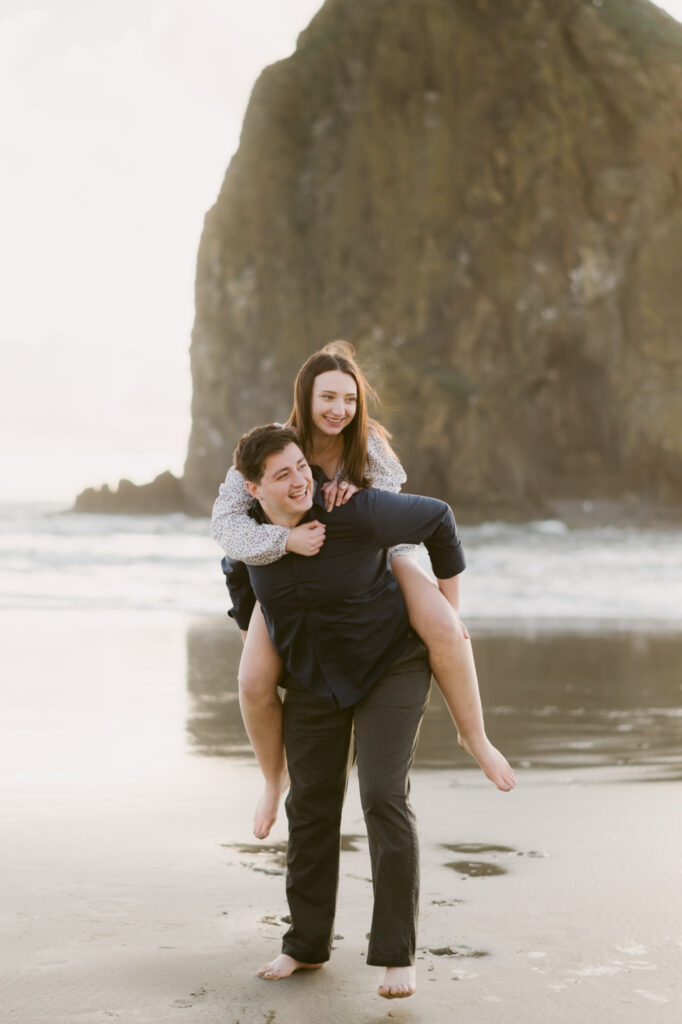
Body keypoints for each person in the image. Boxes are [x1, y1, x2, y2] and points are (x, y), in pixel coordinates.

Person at [212, 342, 515, 841]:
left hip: (378, 554)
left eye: (349, 399)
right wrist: (284, 538)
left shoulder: (368, 442)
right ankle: (272, 778)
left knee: (445, 626)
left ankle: (474, 736)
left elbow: (393, 507)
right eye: (328, 397)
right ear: (304, 398)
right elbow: (225, 525)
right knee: (251, 681)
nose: (339, 410)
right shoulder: (276, 448)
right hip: (284, 574)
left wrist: (358, 489)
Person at [223, 423, 476, 998]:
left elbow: (438, 517)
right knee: (309, 805)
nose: (298, 482)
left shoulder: (355, 512)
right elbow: (239, 585)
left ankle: (396, 953)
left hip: (391, 663)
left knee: (382, 794)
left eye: (301, 468)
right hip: (316, 678)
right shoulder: (251, 538)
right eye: (282, 475)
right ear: (252, 489)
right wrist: (255, 640)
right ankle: (304, 945)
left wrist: (445, 606)